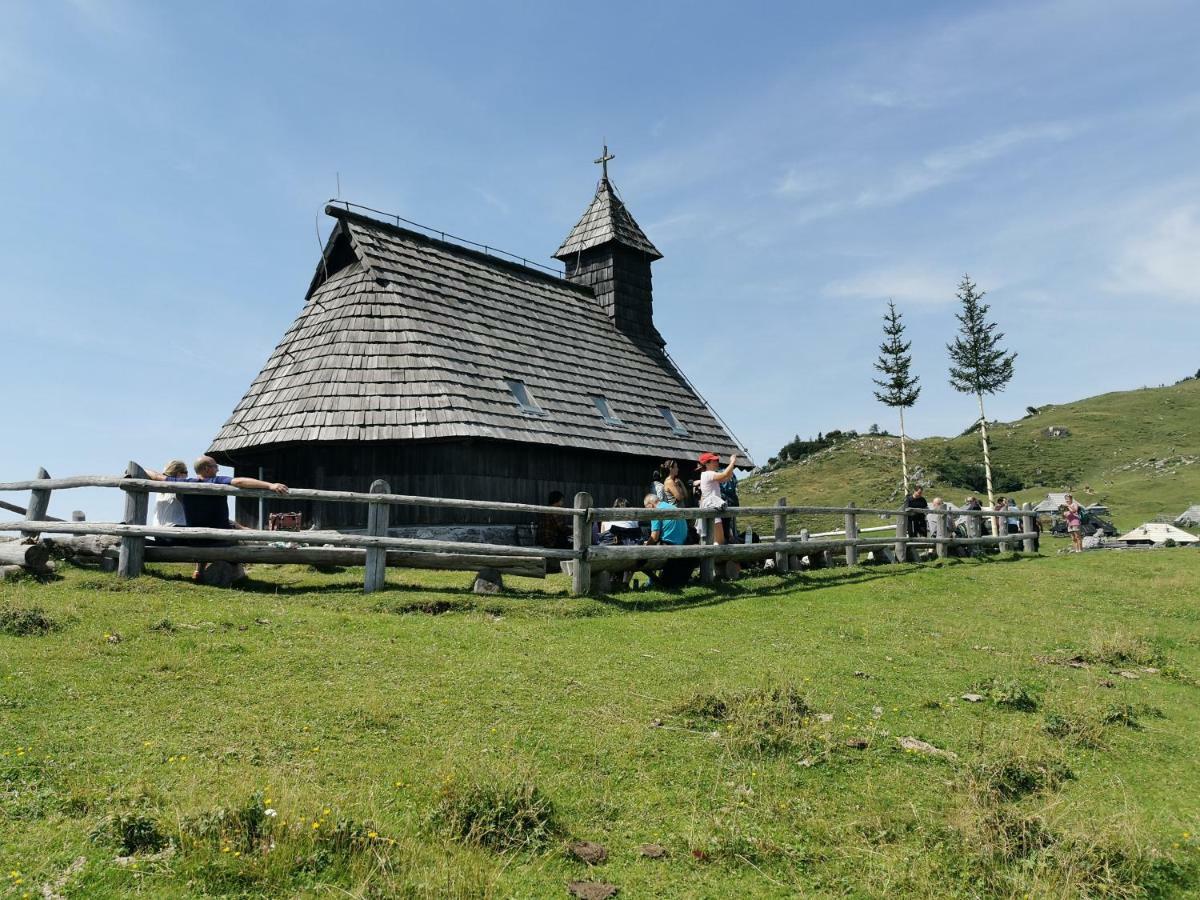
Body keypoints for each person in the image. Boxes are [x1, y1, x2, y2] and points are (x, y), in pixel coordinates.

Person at [148, 455, 288, 580]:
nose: (218, 470)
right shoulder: (216, 481)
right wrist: (270, 485)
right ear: (207, 469)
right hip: (220, 539)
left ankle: (200, 571)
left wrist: (133, 471)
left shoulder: (185, 483)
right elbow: (239, 482)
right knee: (237, 537)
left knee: (221, 527)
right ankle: (273, 546)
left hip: (196, 540)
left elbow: (156, 476)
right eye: (216, 466)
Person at [641, 492, 697, 588]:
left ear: (650, 505)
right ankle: (654, 580)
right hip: (683, 545)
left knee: (641, 556)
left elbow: (654, 537)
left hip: (668, 548)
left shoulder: (656, 511)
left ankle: (652, 581)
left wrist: (644, 547)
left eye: (646, 508)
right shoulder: (673, 507)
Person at [696, 452, 739, 544]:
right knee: (719, 541)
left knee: (717, 540)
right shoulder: (708, 474)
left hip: (713, 507)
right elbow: (724, 475)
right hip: (712, 508)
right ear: (707, 463)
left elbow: (727, 477)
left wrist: (731, 465)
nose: (717, 462)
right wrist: (732, 462)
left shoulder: (707, 474)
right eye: (714, 461)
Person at [149, 460, 189, 535]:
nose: (187, 476)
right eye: (186, 472)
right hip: (175, 531)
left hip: (157, 532)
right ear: (179, 474)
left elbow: (153, 474)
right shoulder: (180, 486)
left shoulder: (159, 487)